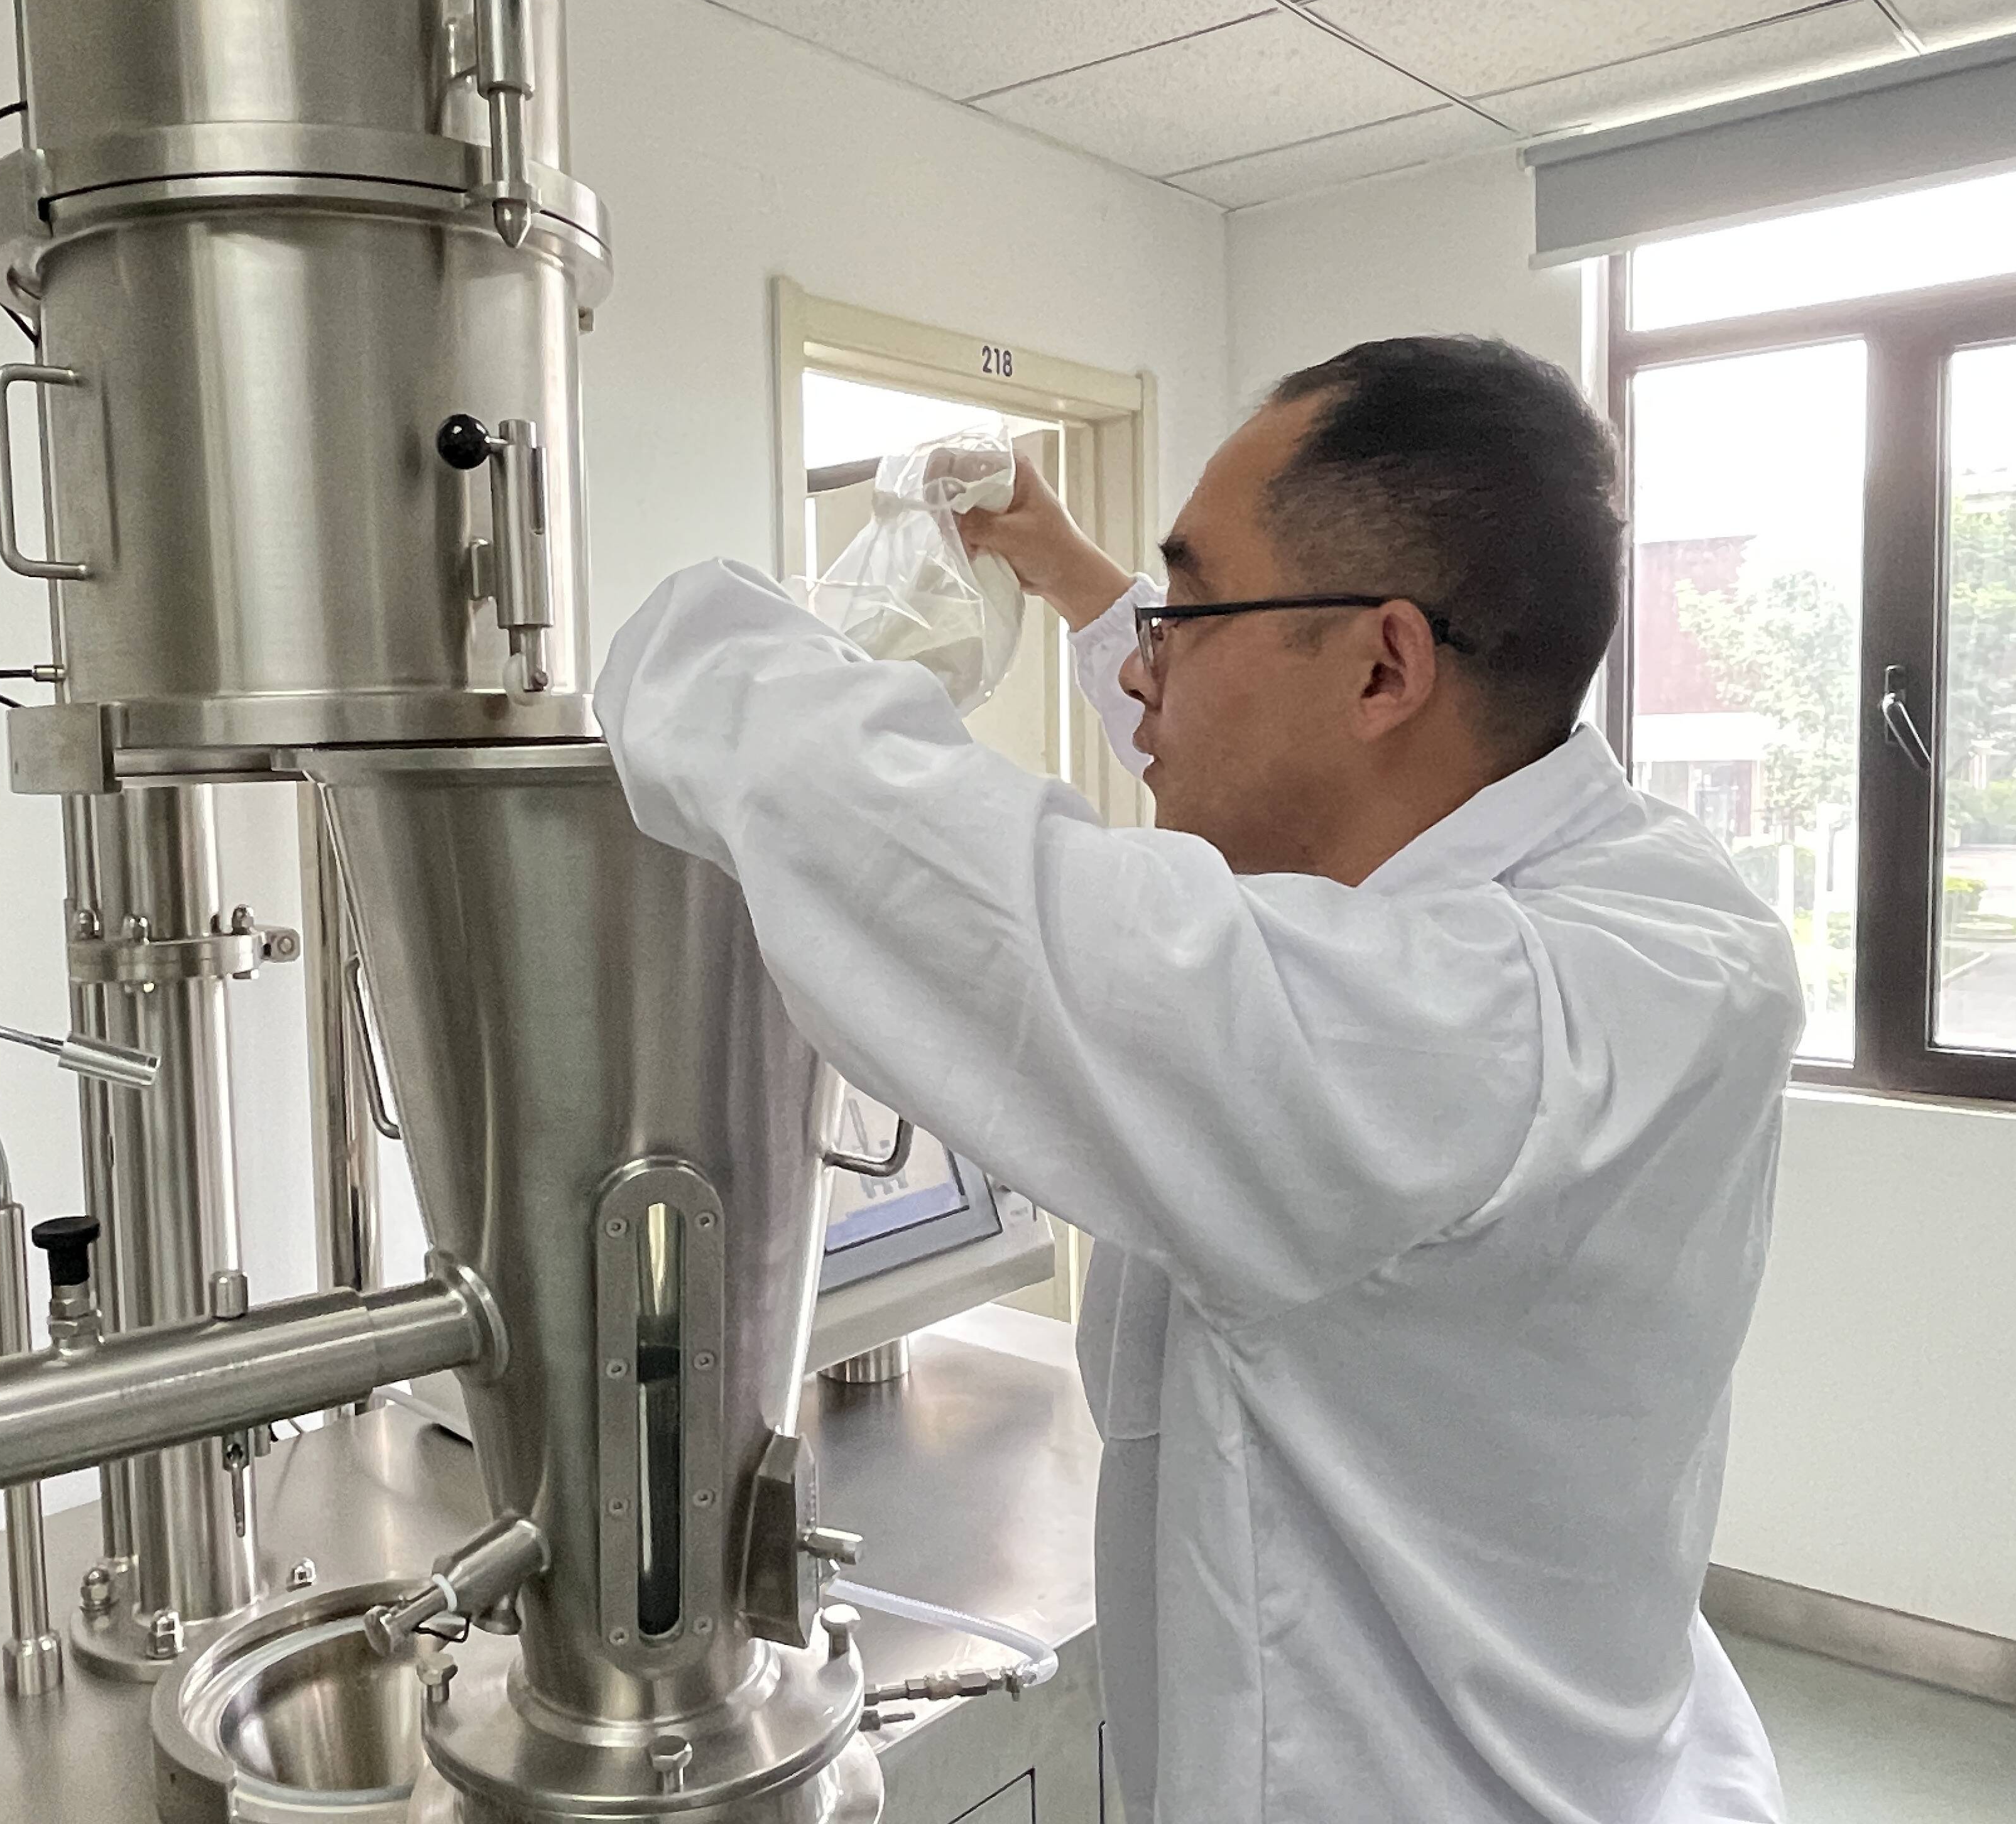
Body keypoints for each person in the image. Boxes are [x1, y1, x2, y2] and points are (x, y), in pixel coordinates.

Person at [593, 335, 1801, 1824]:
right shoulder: (1655, 905)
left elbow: (1019, 912)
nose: (1141, 668)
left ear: (1385, 663)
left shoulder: (1473, 1040)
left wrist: (737, 636)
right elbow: (1300, 790)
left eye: (1187, 614)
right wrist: (1068, 574)